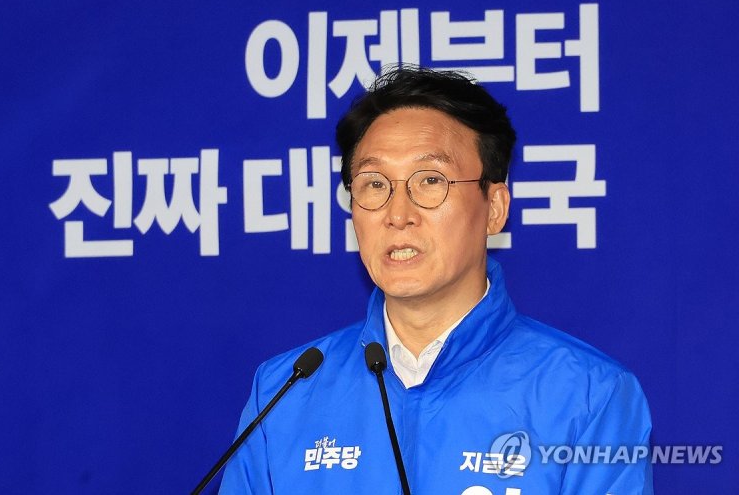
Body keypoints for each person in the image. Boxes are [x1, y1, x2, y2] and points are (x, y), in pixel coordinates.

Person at [219, 67, 653, 494]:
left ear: (495, 208)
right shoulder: (284, 391)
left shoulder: (589, 396)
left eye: (430, 180)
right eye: (374, 184)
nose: (398, 214)